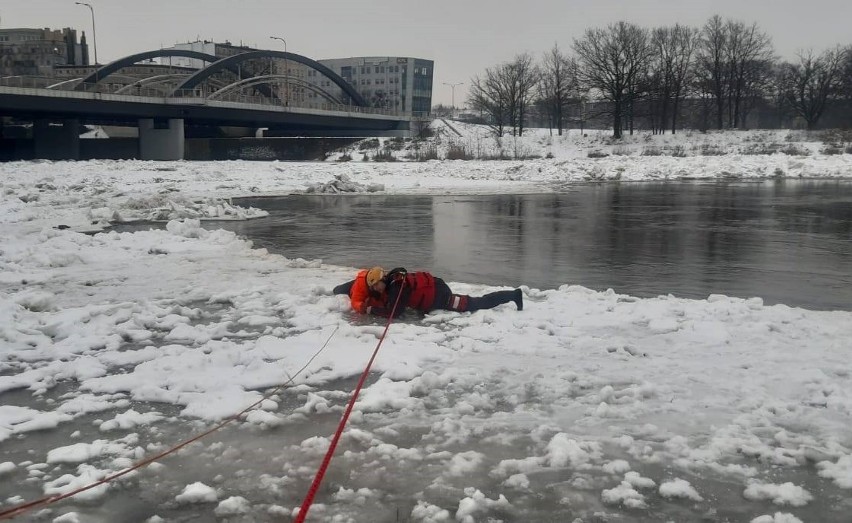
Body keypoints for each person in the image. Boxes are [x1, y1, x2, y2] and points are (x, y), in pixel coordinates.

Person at [359, 267, 523, 318]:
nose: (376, 290)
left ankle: (513, 295)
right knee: (476, 302)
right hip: (436, 287)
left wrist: (370, 310)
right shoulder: (394, 281)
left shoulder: (397, 287)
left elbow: (394, 312)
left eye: (375, 286)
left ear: (382, 280)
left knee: (476, 303)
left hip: (440, 296)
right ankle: (512, 295)